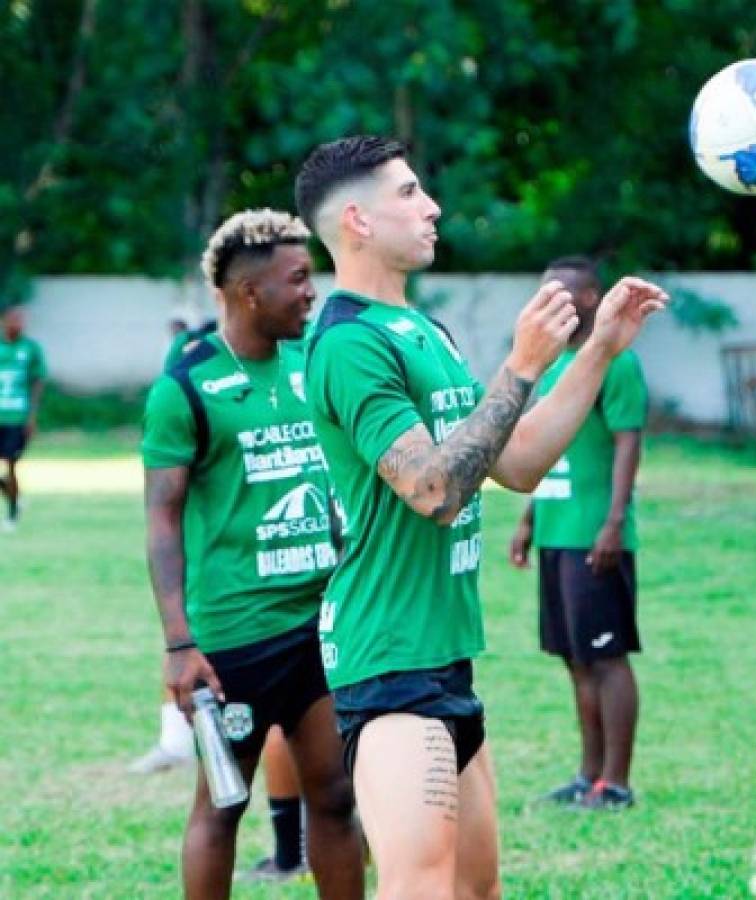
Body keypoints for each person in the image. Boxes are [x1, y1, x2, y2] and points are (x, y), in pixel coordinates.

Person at [294, 135, 667, 899]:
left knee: (475, 889)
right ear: (357, 220)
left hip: (444, 656)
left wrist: (596, 351)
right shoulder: (349, 344)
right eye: (409, 194)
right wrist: (522, 363)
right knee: (421, 889)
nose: (432, 207)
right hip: (389, 660)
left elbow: (517, 460)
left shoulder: (422, 331)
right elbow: (434, 491)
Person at [142, 208, 364, 899]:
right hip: (235, 638)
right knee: (223, 804)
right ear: (248, 292)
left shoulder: (311, 363)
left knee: (335, 797)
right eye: (297, 279)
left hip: (321, 626)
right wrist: (180, 644)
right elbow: (161, 519)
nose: (311, 293)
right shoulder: (185, 386)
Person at [509, 255, 648, 810]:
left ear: (590, 298)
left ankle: (616, 781)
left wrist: (613, 522)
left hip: (594, 534)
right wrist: (528, 520)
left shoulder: (617, 362)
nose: (551, 303)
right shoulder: (554, 366)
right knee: (575, 658)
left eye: (561, 294)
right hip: (555, 532)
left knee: (607, 657)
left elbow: (627, 442)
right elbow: (544, 449)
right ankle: (588, 774)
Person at [0, 305, 46, 532]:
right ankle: (14, 496)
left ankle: (12, 513)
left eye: (21, 319)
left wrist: (31, 416)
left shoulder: (30, 349)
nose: (17, 324)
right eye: (13, 319)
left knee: (11, 464)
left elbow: (37, 382)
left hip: (16, 418)